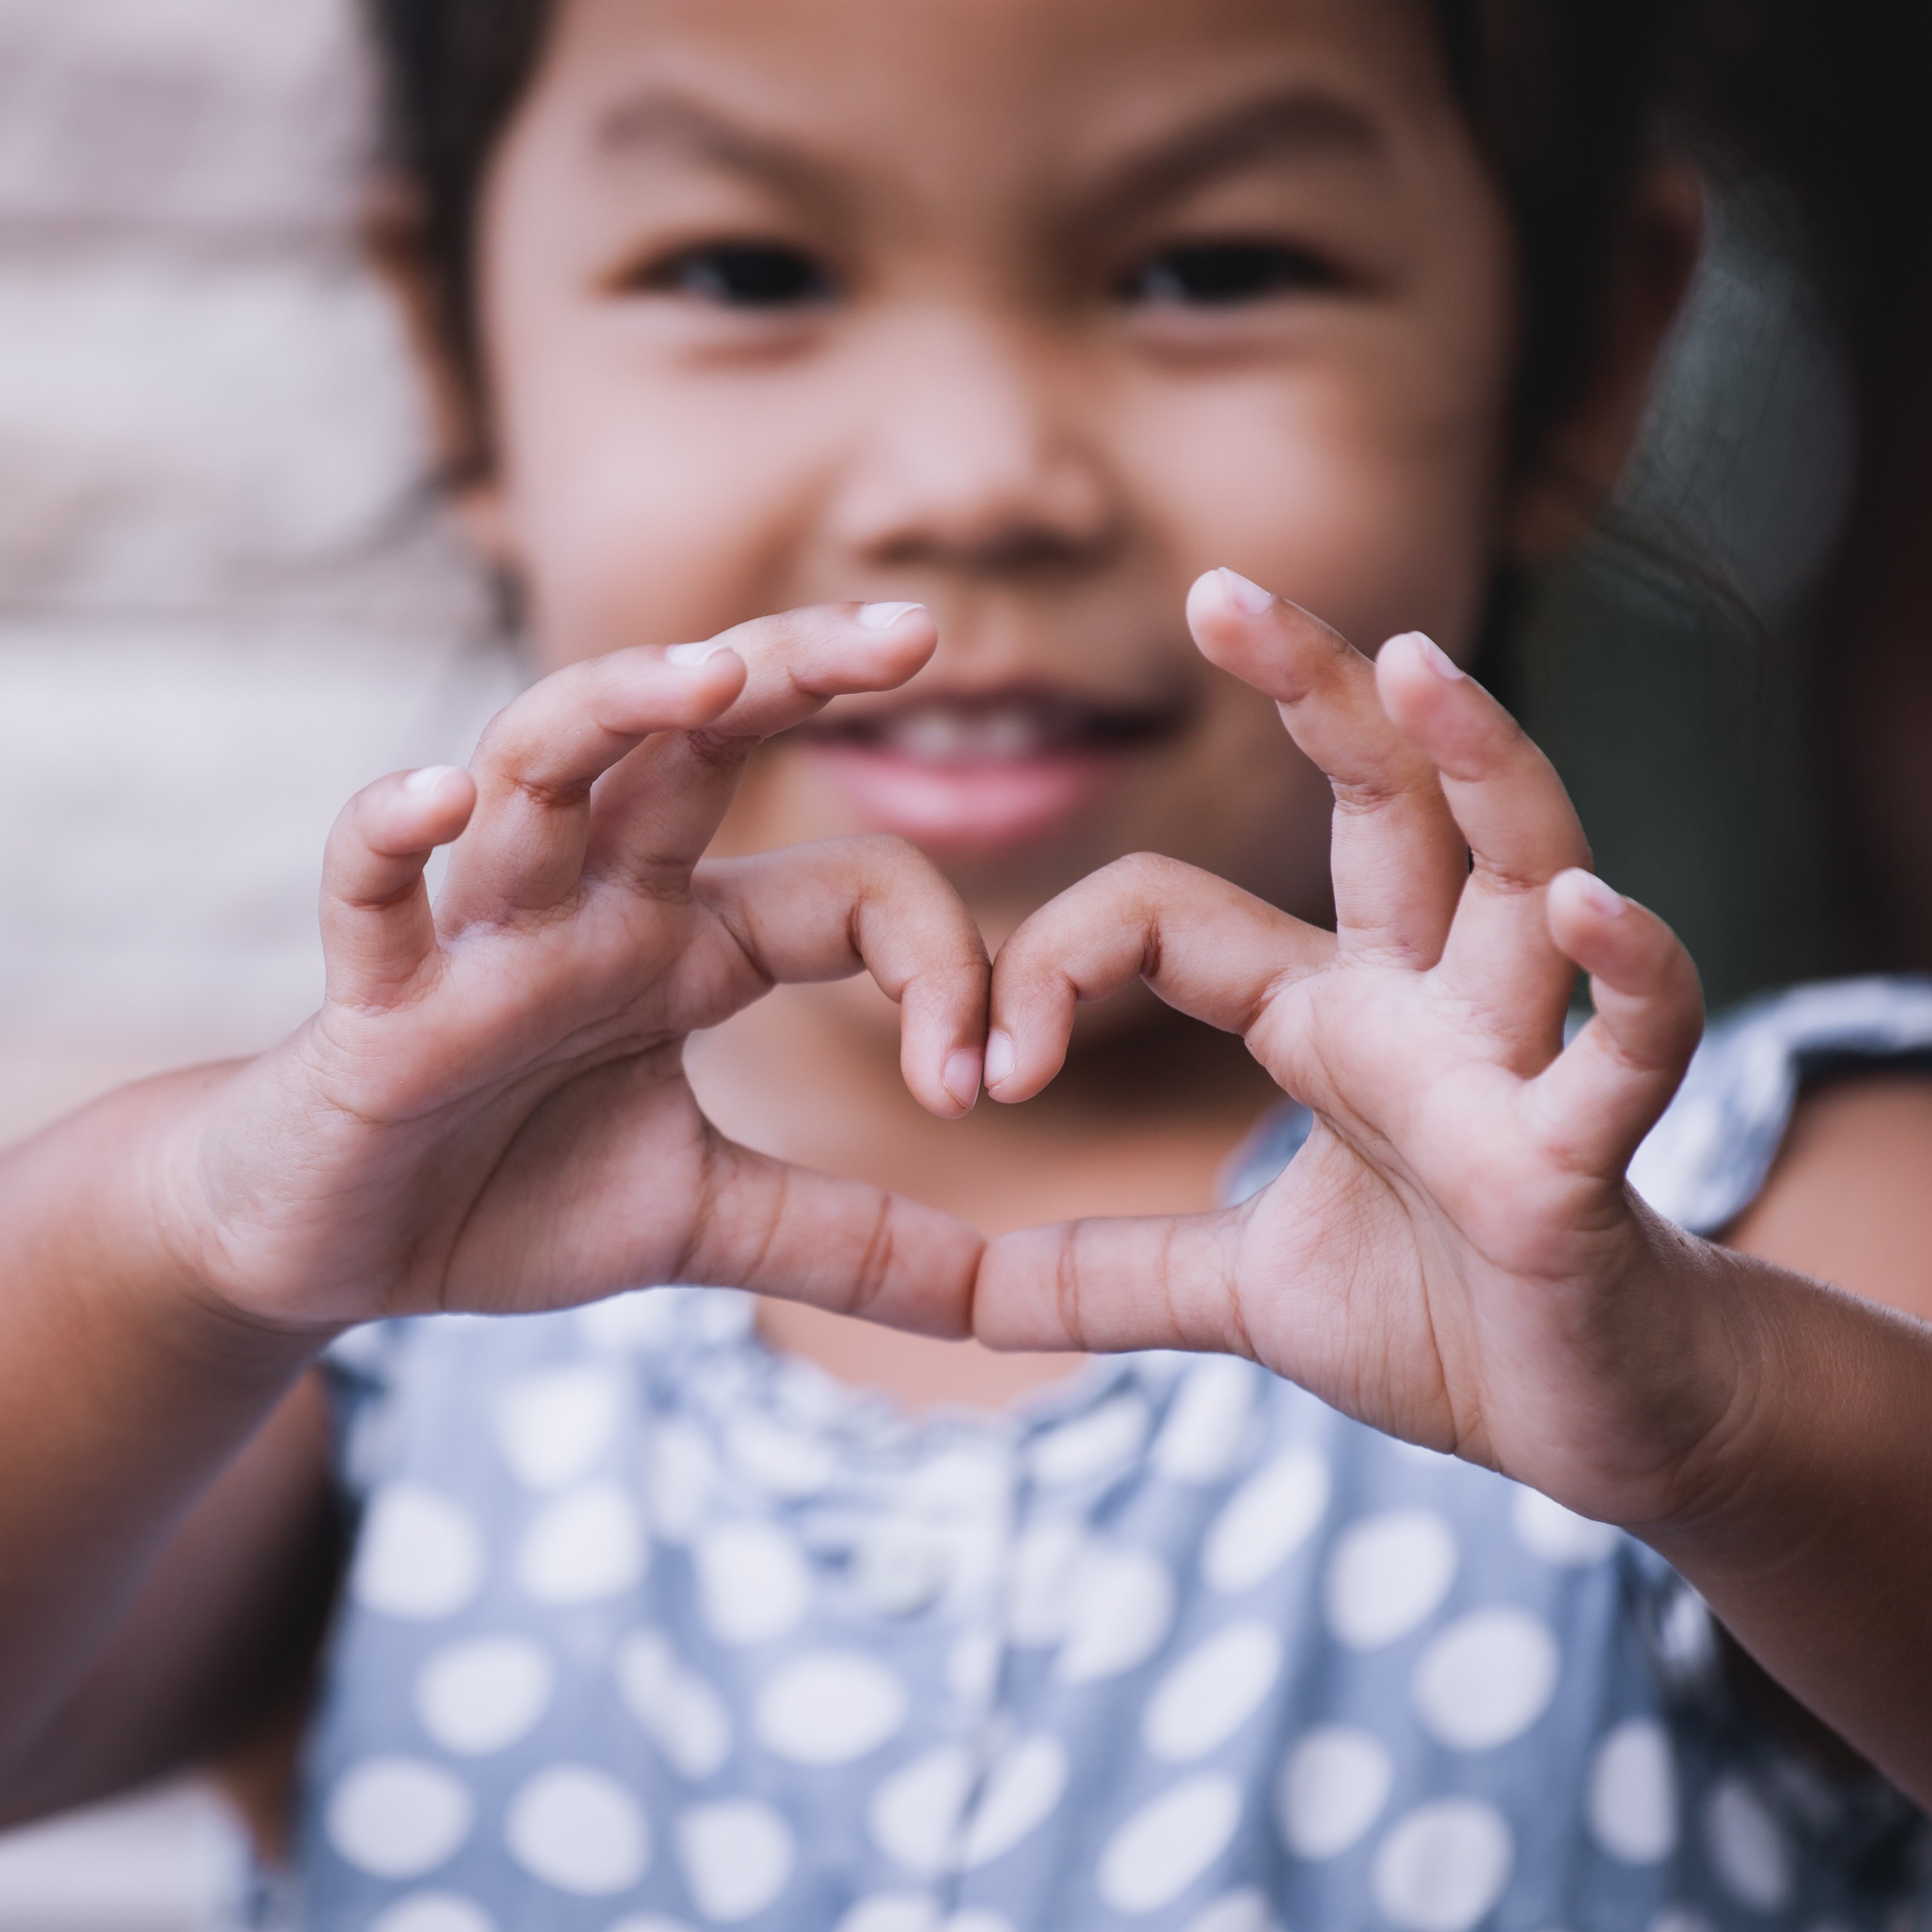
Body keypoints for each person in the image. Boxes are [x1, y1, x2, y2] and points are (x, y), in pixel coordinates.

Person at [1, 2, 1931, 1928]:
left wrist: (1715, 1419)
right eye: (747, 269)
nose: (979, 478)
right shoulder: (339, 1330)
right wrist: (185, 1239)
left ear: (1583, 352)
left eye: (1211, 268)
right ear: (455, 354)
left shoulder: (1743, 1226)